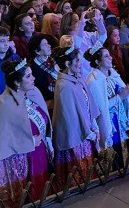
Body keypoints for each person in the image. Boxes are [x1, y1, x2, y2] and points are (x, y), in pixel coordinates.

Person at [0, 59, 52, 206]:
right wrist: (30, 142)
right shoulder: (2, 104)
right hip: (18, 162)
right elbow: (0, 140)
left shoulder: (33, 94)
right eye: (28, 76)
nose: (33, 78)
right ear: (17, 82)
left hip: (38, 153)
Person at [52, 45, 99, 190]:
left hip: (86, 133)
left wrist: (93, 124)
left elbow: (87, 103)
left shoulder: (76, 78)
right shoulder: (64, 86)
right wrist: (89, 132)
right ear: (67, 64)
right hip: (76, 138)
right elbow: (70, 117)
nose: (81, 63)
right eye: (77, 60)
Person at [84, 46, 129, 168]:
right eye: (106, 56)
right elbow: (100, 108)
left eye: (109, 54)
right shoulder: (93, 80)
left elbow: (122, 92)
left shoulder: (113, 74)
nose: (110, 57)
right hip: (107, 120)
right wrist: (120, 97)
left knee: (122, 153)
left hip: (118, 119)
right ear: (97, 62)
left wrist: (127, 93)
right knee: (111, 157)